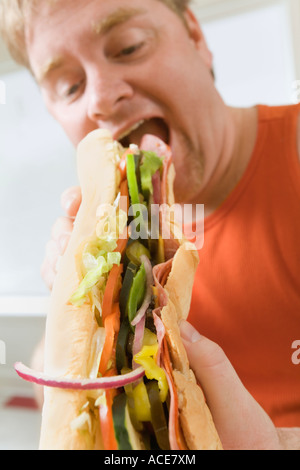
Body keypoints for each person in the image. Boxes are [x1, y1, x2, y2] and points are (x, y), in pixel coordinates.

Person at [1, 0, 299, 450]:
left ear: (196, 37)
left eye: (128, 47)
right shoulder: (105, 229)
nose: (100, 98)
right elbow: (51, 384)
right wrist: (76, 310)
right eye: (70, 86)